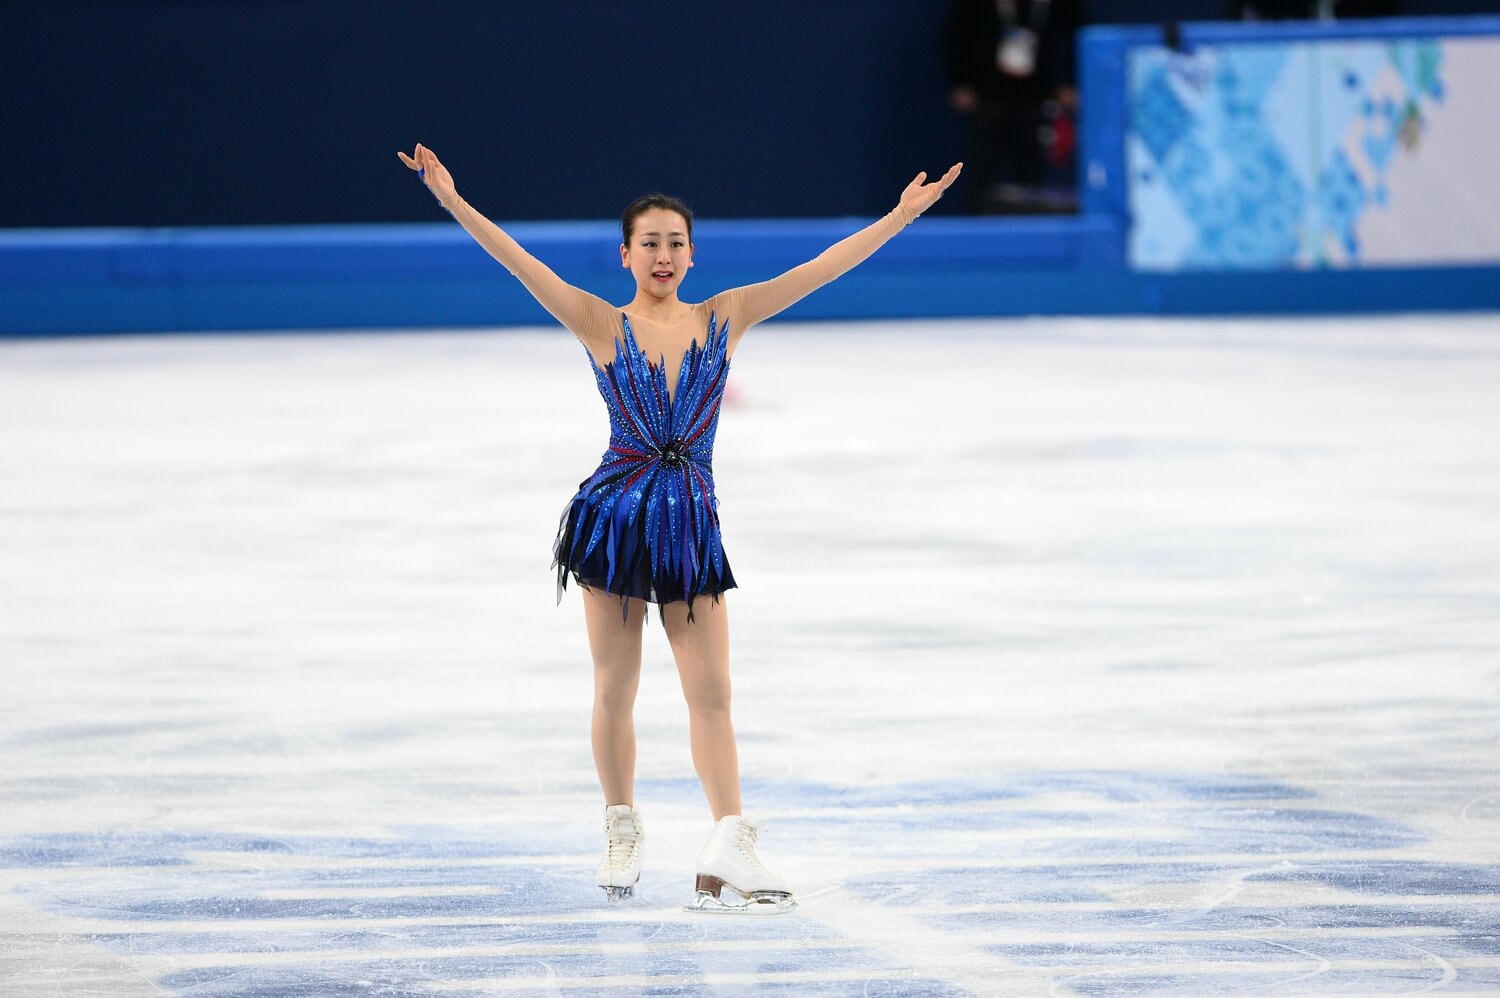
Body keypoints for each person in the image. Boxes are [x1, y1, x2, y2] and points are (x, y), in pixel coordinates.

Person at [397, 143, 960, 913]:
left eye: (675, 242)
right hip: (616, 521)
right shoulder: (599, 320)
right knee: (615, 686)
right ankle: (621, 824)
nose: (663, 255)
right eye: (649, 242)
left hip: (690, 525)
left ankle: (729, 838)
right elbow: (521, 263)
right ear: (625, 255)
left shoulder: (725, 316)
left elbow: (820, 270)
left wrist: (899, 216)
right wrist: (453, 199)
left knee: (714, 692)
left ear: (693, 256)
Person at [943, 0, 1083, 213]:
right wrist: (960, 83)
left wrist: (1069, 84)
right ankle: (978, 230)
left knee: (1030, 171)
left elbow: (1080, 33)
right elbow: (955, 36)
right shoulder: (976, 7)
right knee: (983, 170)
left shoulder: (1052, 6)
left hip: (1036, 99)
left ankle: (1031, 233)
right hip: (987, 98)